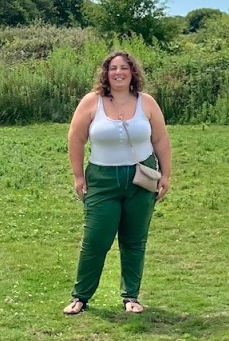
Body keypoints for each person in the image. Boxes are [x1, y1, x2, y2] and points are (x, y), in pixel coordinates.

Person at [63, 50, 171, 315]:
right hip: (103, 180)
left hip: (141, 179)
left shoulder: (146, 102)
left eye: (124, 68)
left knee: (134, 240)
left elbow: (160, 139)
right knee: (95, 240)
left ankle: (131, 296)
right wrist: (78, 176)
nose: (119, 73)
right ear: (106, 73)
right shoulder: (92, 102)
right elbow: (76, 138)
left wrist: (166, 175)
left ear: (133, 72)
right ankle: (80, 297)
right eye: (113, 68)